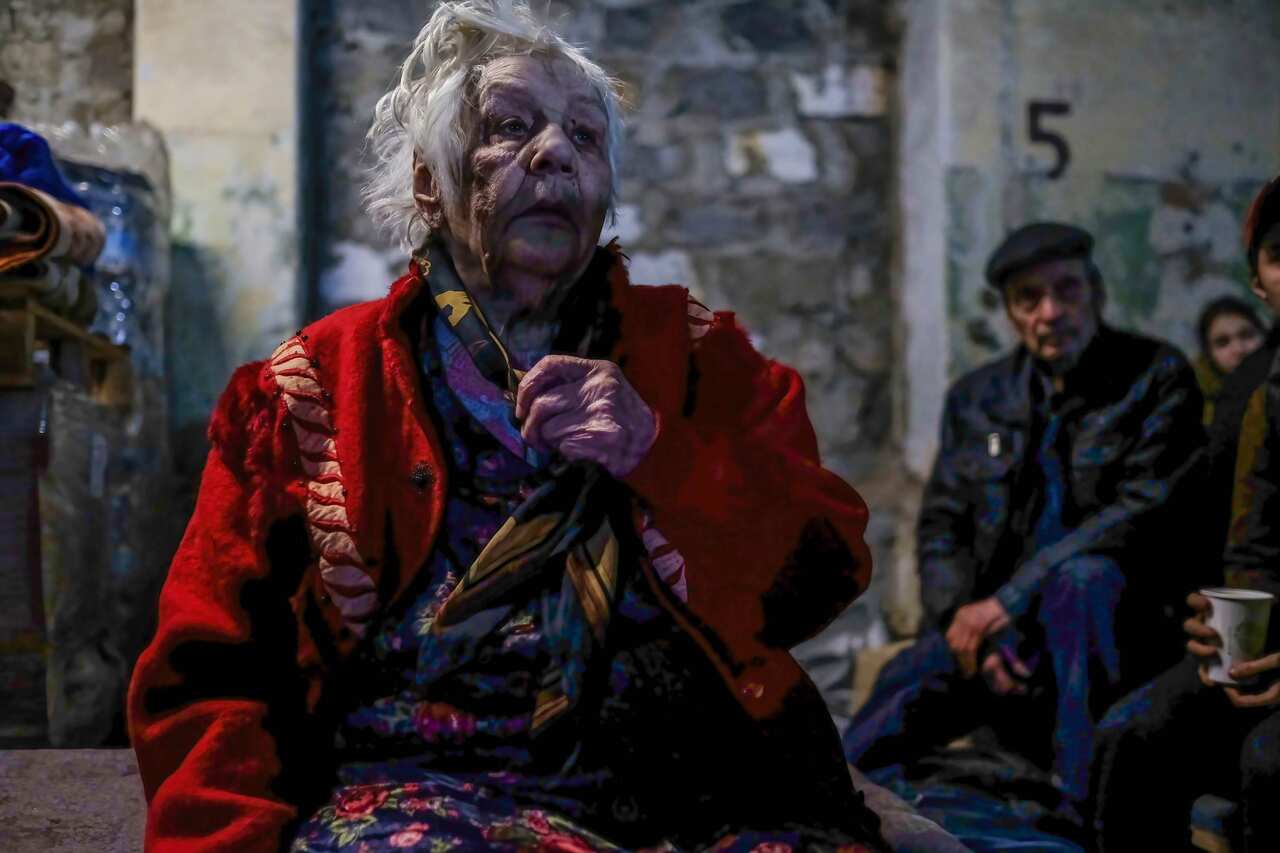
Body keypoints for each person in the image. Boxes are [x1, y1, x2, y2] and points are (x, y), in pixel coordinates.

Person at [126, 3, 886, 851]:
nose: (556, 152)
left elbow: (824, 572)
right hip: (428, 793)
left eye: (585, 139)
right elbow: (213, 665)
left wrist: (660, 453)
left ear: (604, 194)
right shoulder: (312, 387)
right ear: (428, 183)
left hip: (704, 793)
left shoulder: (700, 359)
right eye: (509, 128)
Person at [843, 222, 1205, 816]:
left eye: (1067, 291)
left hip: (1109, 632)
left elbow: (1141, 511)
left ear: (1096, 292)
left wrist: (1009, 600)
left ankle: (1081, 815)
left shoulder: (1156, 378)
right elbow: (943, 527)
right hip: (998, 636)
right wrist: (970, 627)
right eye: (1029, 299)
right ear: (1011, 314)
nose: (1051, 312)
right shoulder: (978, 397)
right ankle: (811, 812)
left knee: (1083, 581)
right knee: (886, 713)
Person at [1091, 176, 1280, 853]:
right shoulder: (1263, 395)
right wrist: (1214, 617)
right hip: (1269, 662)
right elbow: (1251, 545)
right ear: (1260, 283)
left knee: (1269, 761)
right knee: (1130, 734)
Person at [1194, 295, 1266, 425]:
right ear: (1209, 356)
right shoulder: (1198, 415)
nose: (1239, 349)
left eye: (1247, 335)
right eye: (1222, 342)